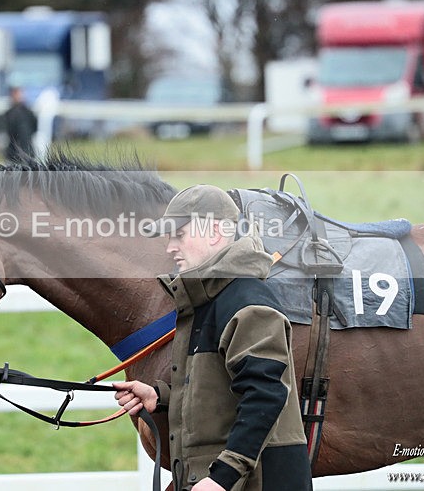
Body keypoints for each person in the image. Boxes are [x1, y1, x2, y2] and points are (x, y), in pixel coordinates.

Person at [114, 185, 312, 491]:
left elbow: (265, 396)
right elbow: (219, 393)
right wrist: (161, 397)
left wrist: (222, 478)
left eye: (178, 234)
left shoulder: (248, 303)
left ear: (215, 233)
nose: (170, 247)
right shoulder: (208, 301)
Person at [1, 85, 37, 163]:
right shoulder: (9, 113)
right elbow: (7, 130)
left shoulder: (28, 112)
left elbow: (35, 127)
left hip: (27, 150)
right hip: (13, 152)